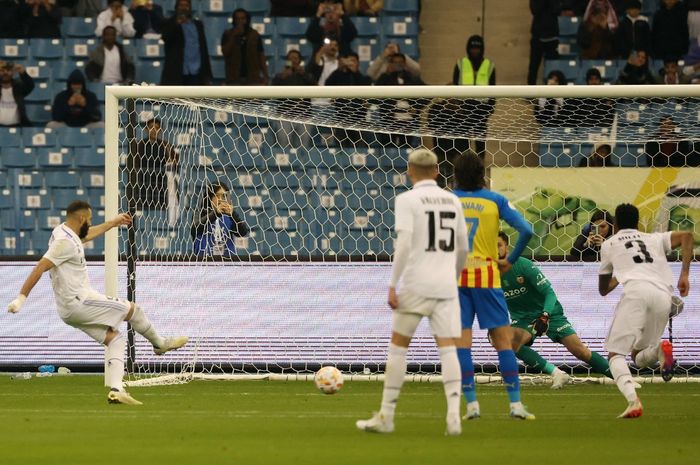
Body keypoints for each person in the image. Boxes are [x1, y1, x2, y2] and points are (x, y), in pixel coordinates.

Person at [6, 200, 189, 405]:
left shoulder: (63, 232)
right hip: (80, 302)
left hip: (68, 309)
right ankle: (160, 344)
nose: (90, 223)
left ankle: (116, 390)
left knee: (114, 339)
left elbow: (85, 235)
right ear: (82, 218)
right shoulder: (63, 243)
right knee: (133, 310)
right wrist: (21, 298)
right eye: (90, 219)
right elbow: (40, 267)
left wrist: (112, 223)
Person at [356, 149, 468, 435]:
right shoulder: (453, 200)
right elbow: (463, 248)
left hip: (416, 284)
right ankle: (454, 417)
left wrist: (393, 284)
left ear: (409, 170)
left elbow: (403, 244)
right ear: (437, 171)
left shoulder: (406, 200)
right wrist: (452, 278)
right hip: (445, 286)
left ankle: (387, 416)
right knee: (448, 350)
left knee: (398, 347)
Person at [452, 152, 535, 421]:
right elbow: (527, 230)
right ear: (482, 174)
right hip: (487, 276)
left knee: (462, 345)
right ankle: (515, 405)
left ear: (456, 175)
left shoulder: (448, 201)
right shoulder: (495, 200)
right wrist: (509, 260)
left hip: (457, 278)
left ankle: (472, 406)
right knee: (502, 342)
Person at [598, 203, 692, 418]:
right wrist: (684, 274)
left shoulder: (610, 244)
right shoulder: (653, 238)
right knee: (638, 356)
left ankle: (633, 401)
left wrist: (620, 273)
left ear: (615, 224)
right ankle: (660, 348)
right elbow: (687, 236)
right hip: (663, 296)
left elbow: (603, 289)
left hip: (636, 293)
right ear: (637, 222)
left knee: (615, 354)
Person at [498, 231, 612, 389]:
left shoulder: (523, 265)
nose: (495, 250)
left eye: (499, 245)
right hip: (523, 319)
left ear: (507, 248)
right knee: (509, 342)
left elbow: (549, 293)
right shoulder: (488, 274)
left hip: (549, 314)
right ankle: (557, 373)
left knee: (580, 351)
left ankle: (623, 378)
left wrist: (545, 315)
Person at [448, 34, 496, 158]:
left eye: (478, 48)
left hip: (482, 109)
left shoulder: (489, 65)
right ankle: (463, 168)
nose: (475, 51)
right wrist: (457, 106)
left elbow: (493, 88)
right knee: (462, 145)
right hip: (464, 108)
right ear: (468, 48)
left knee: (480, 145)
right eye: (472, 48)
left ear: (482, 49)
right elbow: (455, 85)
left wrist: (490, 108)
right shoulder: (460, 63)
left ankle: (479, 169)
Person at [133, 118, 179, 223]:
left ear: (160, 130)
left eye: (157, 128)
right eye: (151, 127)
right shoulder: (138, 146)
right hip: (143, 186)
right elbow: (133, 165)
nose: (154, 130)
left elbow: (175, 164)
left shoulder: (166, 146)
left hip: (161, 187)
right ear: (146, 129)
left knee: (159, 215)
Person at [160, 0, 212, 85]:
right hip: (176, 73)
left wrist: (207, 74)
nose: (184, 8)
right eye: (181, 5)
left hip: (196, 72)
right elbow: (165, 37)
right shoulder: (169, 23)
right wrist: (177, 23)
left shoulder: (198, 25)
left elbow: (203, 49)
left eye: (186, 5)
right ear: (176, 8)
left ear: (190, 8)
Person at [191, 182, 249, 258]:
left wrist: (233, 214)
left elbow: (243, 233)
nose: (221, 199)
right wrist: (216, 213)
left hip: (227, 264)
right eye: (218, 196)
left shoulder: (230, 216)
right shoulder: (199, 213)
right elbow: (195, 228)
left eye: (224, 196)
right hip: (204, 263)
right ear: (210, 198)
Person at [271, 49, 314, 149]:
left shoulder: (306, 75)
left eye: (295, 58)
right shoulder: (280, 76)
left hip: (304, 116)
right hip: (285, 116)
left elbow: (315, 86)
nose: (293, 60)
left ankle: (303, 164)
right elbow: (273, 90)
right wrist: (283, 77)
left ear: (300, 60)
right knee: (283, 146)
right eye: (290, 58)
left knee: (303, 147)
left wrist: (304, 74)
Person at [221, 8, 269, 85]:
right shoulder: (227, 34)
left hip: (252, 78)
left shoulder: (255, 35)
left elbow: (261, 55)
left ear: (247, 20)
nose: (240, 21)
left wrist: (266, 76)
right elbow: (225, 52)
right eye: (237, 19)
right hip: (233, 78)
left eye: (243, 18)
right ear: (234, 20)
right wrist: (233, 36)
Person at [528, 0, 561, 85]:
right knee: (533, 66)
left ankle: (552, 92)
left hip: (552, 36)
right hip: (537, 37)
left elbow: (557, 10)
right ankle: (530, 92)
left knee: (552, 67)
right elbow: (535, 10)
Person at [0, 60, 34, 127]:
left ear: (13, 72)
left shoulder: (19, 87)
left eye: (8, 70)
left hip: (17, 126)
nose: (5, 73)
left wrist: (23, 73)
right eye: (2, 70)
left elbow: (30, 85)